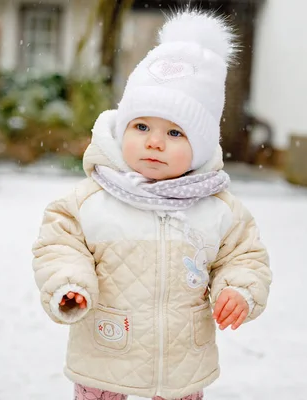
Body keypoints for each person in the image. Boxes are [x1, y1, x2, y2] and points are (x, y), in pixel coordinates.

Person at [32, 9, 272, 400]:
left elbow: (245, 256)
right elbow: (59, 244)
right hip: (105, 353)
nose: (154, 142)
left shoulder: (218, 209)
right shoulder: (91, 200)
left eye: (175, 132)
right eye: (141, 126)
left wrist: (238, 290)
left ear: (200, 147)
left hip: (180, 362)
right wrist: (69, 282)